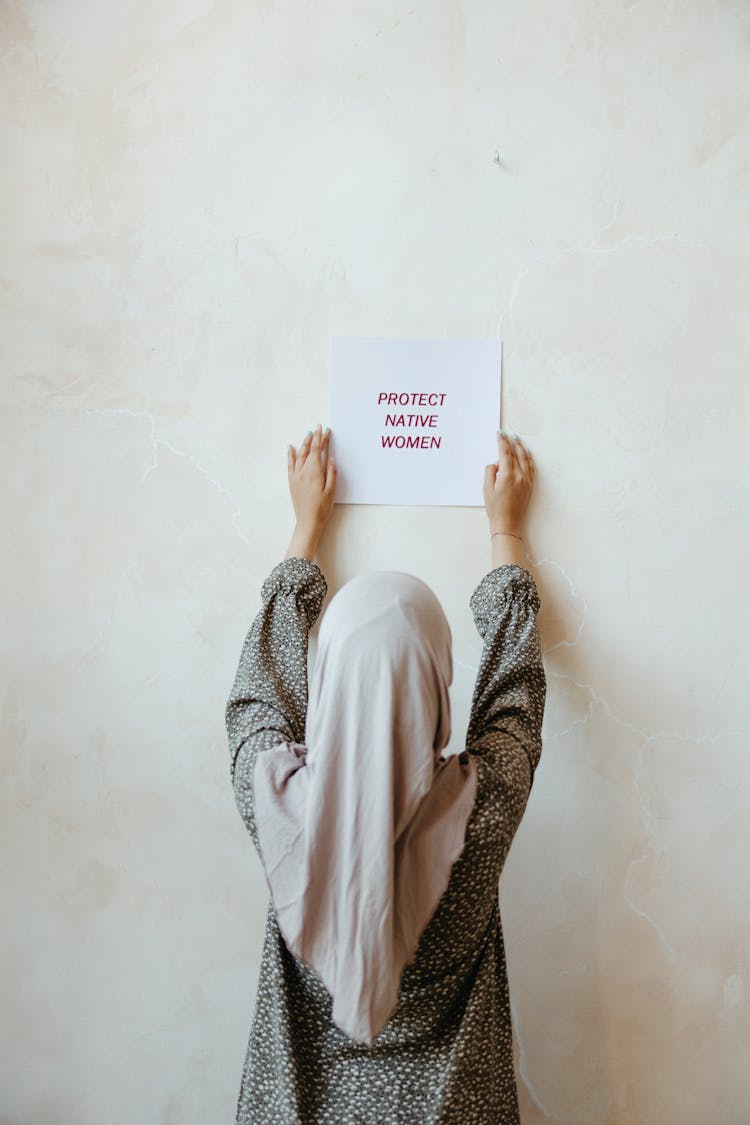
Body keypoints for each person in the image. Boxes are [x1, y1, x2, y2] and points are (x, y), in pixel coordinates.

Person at [225, 423, 546, 1124]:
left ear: (330, 679)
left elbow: (258, 696)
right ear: (438, 685)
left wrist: (306, 528)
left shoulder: (275, 797)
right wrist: (506, 531)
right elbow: (514, 705)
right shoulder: (480, 808)